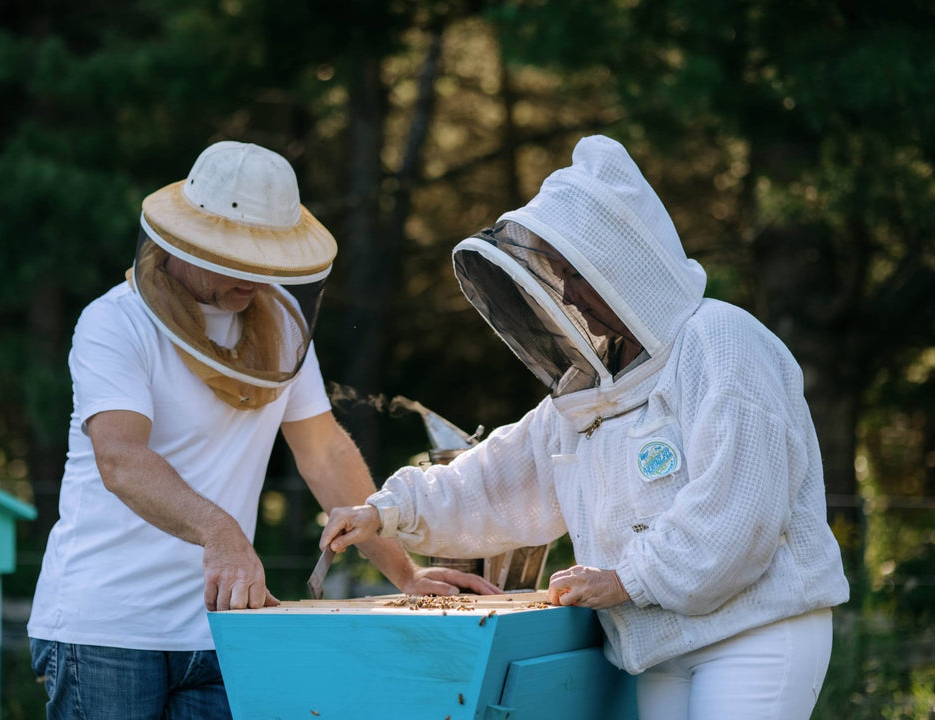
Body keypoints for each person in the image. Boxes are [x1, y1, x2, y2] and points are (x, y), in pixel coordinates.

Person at [321, 135, 850, 719]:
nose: (566, 293)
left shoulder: (722, 341)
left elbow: (740, 513)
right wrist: (386, 511)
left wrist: (627, 579)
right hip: (660, 642)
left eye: (576, 272)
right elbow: (497, 478)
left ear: (623, 262)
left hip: (755, 634)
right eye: (557, 273)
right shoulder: (593, 390)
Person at [27, 140, 499, 720]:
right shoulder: (114, 322)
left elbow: (323, 451)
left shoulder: (280, 327)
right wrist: (220, 532)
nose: (256, 275)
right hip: (108, 631)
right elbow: (120, 459)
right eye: (237, 255)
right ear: (186, 241)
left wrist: (402, 570)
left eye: (267, 255)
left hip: (225, 628)